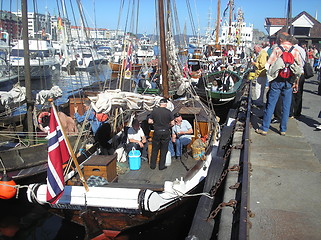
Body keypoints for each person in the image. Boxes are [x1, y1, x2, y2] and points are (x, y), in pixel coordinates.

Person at [256, 32, 302, 136]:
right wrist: (296, 83)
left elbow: (268, 65)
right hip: (289, 81)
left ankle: (264, 128)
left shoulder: (277, 49)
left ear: (281, 39)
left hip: (277, 80)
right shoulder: (295, 50)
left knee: (271, 104)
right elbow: (299, 69)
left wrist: (270, 77)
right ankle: (283, 129)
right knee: (286, 106)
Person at [148, 98, 174, 170]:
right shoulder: (169, 112)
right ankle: (161, 166)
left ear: (160, 104)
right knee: (164, 149)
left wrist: (156, 123)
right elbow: (172, 123)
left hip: (157, 131)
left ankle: (152, 165)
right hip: (165, 131)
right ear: (165, 104)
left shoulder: (154, 111)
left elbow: (149, 121)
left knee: (155, 149)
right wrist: (168, 125)